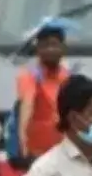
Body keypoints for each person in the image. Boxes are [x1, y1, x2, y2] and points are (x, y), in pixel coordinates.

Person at [15, 24, 70, 168]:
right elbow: (27, 105)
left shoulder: (69, 77)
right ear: (38, 49)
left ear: (63, 48)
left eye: (54, 45)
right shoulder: (29, 76)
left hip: (65, 151)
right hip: (37, 153)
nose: (50, 50)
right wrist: (22, 141)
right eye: (45, 45)